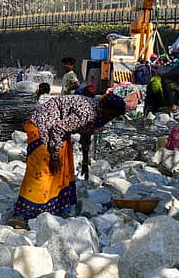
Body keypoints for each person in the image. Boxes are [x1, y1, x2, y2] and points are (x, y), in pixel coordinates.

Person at [9, 94, 126, 227]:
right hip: (43, 127)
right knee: (41, 172)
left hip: (57, 129)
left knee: (61, 171)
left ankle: (49, 210)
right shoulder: (87, 113)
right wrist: (54, 156)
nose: (111, 118)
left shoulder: (98, 113)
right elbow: (58, 128)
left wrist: (85, 161)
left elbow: (86, 133)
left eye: (114, 116)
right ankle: (21, 215)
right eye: (111, 114)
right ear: (105, 107)